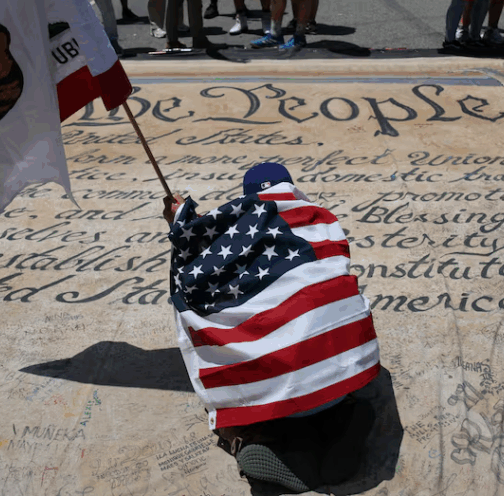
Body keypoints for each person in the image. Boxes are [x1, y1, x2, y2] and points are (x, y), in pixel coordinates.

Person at [162, 162, 378, 492]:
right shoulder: (320, 221)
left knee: (231, 364)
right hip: (340, 375)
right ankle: (341, 420)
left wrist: (181, 228)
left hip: (280, 399)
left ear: (248, 198)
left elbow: (191, 285)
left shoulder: (236, 240)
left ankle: (256, 442)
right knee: (323, 343)